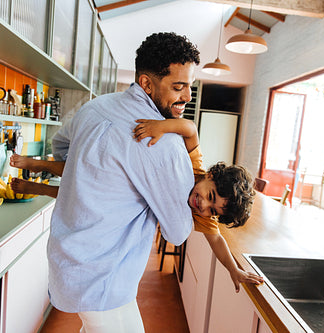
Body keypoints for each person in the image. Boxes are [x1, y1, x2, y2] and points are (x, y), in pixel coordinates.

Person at [42, 32, 200, 333]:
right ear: (146, 84)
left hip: (69, 263)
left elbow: (60, 145)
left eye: (190, 86)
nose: (187, 97)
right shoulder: (163, 144)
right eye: (178, 87)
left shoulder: (94, 107)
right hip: (105, 278)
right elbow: (178, 232)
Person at [11, 117, 263, 292]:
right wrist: (161, 127)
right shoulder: (195, 167)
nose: (203, 206)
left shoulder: (204, 216)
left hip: (132, 200)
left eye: (212, 210)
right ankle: (37, 164)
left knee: (85, 195)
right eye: (210, 197)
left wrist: (234, 270)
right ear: (211, 176)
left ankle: (39, 188)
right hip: (138, 175)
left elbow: (217, 240)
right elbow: (190, 129)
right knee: (82, 173)